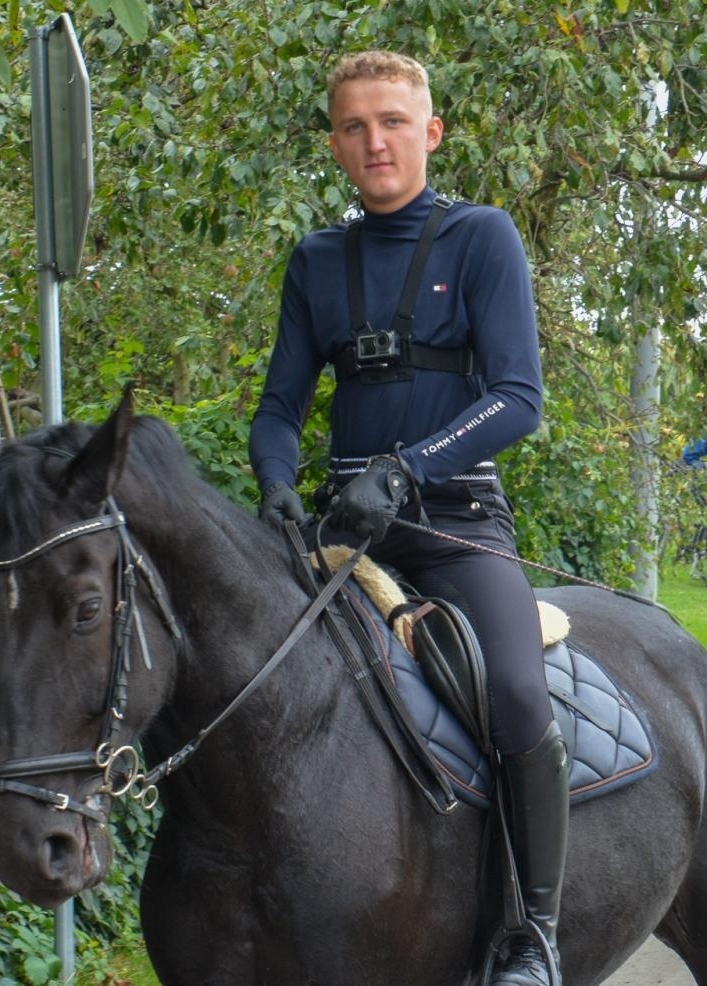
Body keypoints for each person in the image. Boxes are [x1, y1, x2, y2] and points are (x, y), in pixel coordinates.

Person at [247, 51, 563, 985]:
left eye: (392, 122)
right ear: (335, 144)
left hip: (457, 523)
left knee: (516, 692)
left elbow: (518, 398)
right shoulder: (315, 260)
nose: (374, 141)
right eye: (354, 126)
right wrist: (275, 483)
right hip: (342, 534)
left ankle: (533, 934)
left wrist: (406, 469)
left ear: (430, 133)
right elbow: (279, 408)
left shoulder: (482, 237)